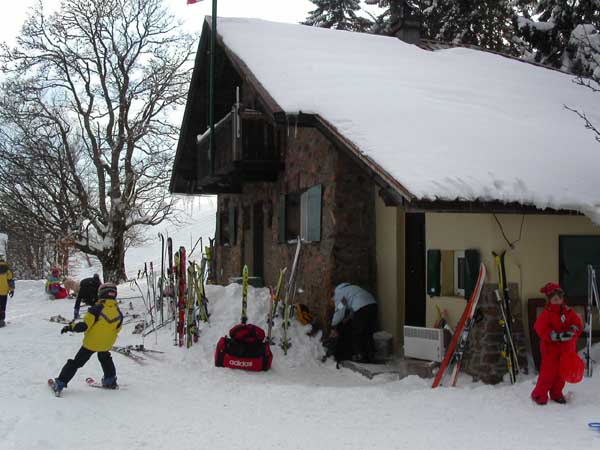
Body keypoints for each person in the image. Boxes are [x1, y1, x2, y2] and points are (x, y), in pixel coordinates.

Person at [51, 283, 123, 395]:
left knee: (76, 363)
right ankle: (110, 380)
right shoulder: (118, 312)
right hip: (106, 343)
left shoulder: (96, 309)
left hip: (91, 343)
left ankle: (60, 382)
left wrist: (71, 327)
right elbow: (117, 329)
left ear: (101, 294)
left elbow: (84, 326)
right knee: (105, 357)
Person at [531, 282, 583, 405]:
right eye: (554, 299)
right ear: (549, 300)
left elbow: (577, 323)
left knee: (561, 374)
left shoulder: (568, 311)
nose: (557, 301)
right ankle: (539, 394)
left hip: (565, 350)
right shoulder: (547, 313)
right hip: (551, 350)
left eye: (559, 298)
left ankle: (556, 393)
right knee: (548, 374)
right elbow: (539, 327)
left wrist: (572, 330)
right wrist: (554, 335)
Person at [329, 283, 378, 363]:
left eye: (332, 302)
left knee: (357, 333)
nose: (333, 304)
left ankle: (360, 355)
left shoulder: (339, 293)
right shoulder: (350, 289)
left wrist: (333, 326)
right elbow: (354, 308)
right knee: (368, 332)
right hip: (373, 305)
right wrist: (347, 318)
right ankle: (370, 355)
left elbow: (339, 311)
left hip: (362, 308)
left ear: (333, 297)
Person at [0, 255, 15, 328]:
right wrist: (11, 290)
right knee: (3, 306)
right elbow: (10, 280)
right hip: (4, 291)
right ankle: (1, 320)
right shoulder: (7, 269)